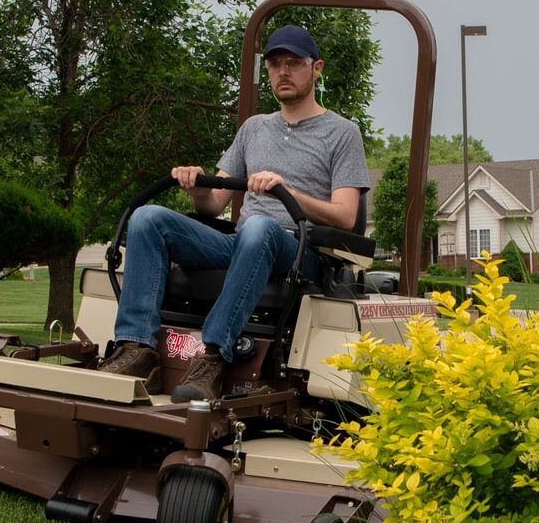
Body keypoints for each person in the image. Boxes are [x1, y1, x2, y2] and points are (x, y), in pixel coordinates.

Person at [100, 24, 369, 402]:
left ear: (317, 68)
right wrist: (197, 189)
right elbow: (214, 204)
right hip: (242, 242)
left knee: (258, 226)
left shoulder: (342, 132)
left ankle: (214, 354)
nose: (283, 72)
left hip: (297, 250)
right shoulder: (253, 128)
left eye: (294, 63)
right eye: (275, 64)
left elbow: (344, 215)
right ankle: (137, 349)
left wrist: (286, 192)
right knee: (149, 218)